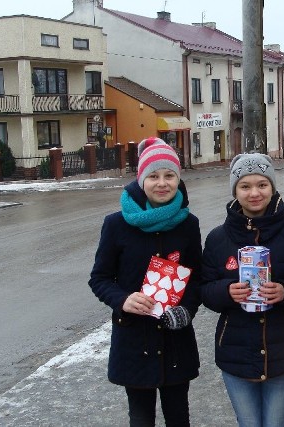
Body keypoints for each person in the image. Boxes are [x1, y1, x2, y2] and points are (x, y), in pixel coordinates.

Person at [88, 137, 202, 427]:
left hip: (175, 338)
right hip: (135, 339)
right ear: (141, 180)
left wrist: (186, 310)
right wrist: (122, 299)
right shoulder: (116, 224)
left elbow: (197, 277)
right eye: (153, 176)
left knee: (179, 417)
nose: (161, 183)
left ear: (178, 178)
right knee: (141, 418)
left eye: (169, 175)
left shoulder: (188, 224)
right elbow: (100, 278)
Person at [201, 153, 284, 427]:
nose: (254, 193)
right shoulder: (218, 238)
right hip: (235, 353)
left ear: (273, 187)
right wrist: (227, 291)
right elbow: (203, 290)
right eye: (245, 186)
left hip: (283, 352)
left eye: (262, 185)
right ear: (235, 190)